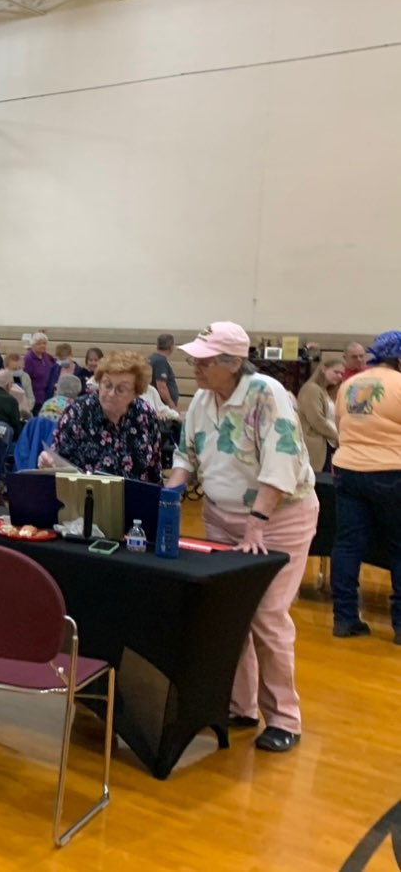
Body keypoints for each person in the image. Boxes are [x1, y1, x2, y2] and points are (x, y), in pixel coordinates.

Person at [166, 321, 318, 753]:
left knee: (266, 616)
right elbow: (186, 453)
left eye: (204, 360)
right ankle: (242, 706)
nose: (195, 365)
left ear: (233, 363)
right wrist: (169, 495)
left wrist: (256, 521)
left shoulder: (265, 393)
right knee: (231, 613)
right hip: (222, 517)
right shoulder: (201, 399)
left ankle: (285, 717)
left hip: (278, 520)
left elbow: (283, 460)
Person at [330, 332, 401, 641]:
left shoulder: (349, 385)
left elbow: (339, 424)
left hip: (348, 470)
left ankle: (345, 618)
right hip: (392, 471)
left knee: (347, 545)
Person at [41, 351, 161, 483]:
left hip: (134, 499)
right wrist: (47, 462)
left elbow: (154, 469)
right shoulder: (78, 412)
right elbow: (57, 461)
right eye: (107, 385)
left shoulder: (145, 415)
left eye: (121, 389)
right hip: (85, 499)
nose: (110, 394)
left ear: (136, 393)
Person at [297, 357, 344, 473]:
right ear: (323, 369)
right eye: (336, 372)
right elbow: (316, 420)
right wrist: (337, 436)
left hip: (329, 445)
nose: (339, 376)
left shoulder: (326, 391)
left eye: (342, 374)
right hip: (317, 446)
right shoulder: (311, 389)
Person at [22, 333, 54, 414]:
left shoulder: (46, 357)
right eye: (39, 344)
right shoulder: (28, 359)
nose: (42, 345)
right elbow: (25, 379)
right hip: (35, 398)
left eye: (44, 343)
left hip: (47, 396)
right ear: (33, 345)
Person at [149, 333, 179, 408]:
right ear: (171, 347)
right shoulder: (160, 362)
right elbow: (161, 387)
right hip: (162, 407)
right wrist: (171, 405)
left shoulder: (152, 358)